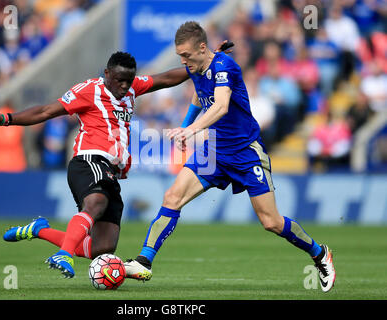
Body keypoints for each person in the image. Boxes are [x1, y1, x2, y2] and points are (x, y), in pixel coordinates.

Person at [0, 45, 232, 279]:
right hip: (88, 160)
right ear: (107, 73)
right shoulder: (88, 90)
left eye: (128, 81)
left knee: (102, 247)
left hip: (112, 171)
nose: (123, 86)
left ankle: (40, 230)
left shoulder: (131, 87)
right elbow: (46, 111)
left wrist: (204, 61)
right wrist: (6, 119)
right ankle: (63, 255)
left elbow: (165, 79)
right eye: (119, 80)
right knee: (96, 202)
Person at [124, 21, 336, 293]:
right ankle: (145, 261)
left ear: (202, 47)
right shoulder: (197, 66)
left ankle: (319, 253)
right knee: (172, 197)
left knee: (270, 221)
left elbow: (222, 106)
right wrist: (186, 126)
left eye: (186, 55)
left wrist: (189, 130)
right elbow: (200, 98)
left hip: (246, 152)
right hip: (213, 150)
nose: (183, 60)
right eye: (180, 56)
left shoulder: (225, 66)